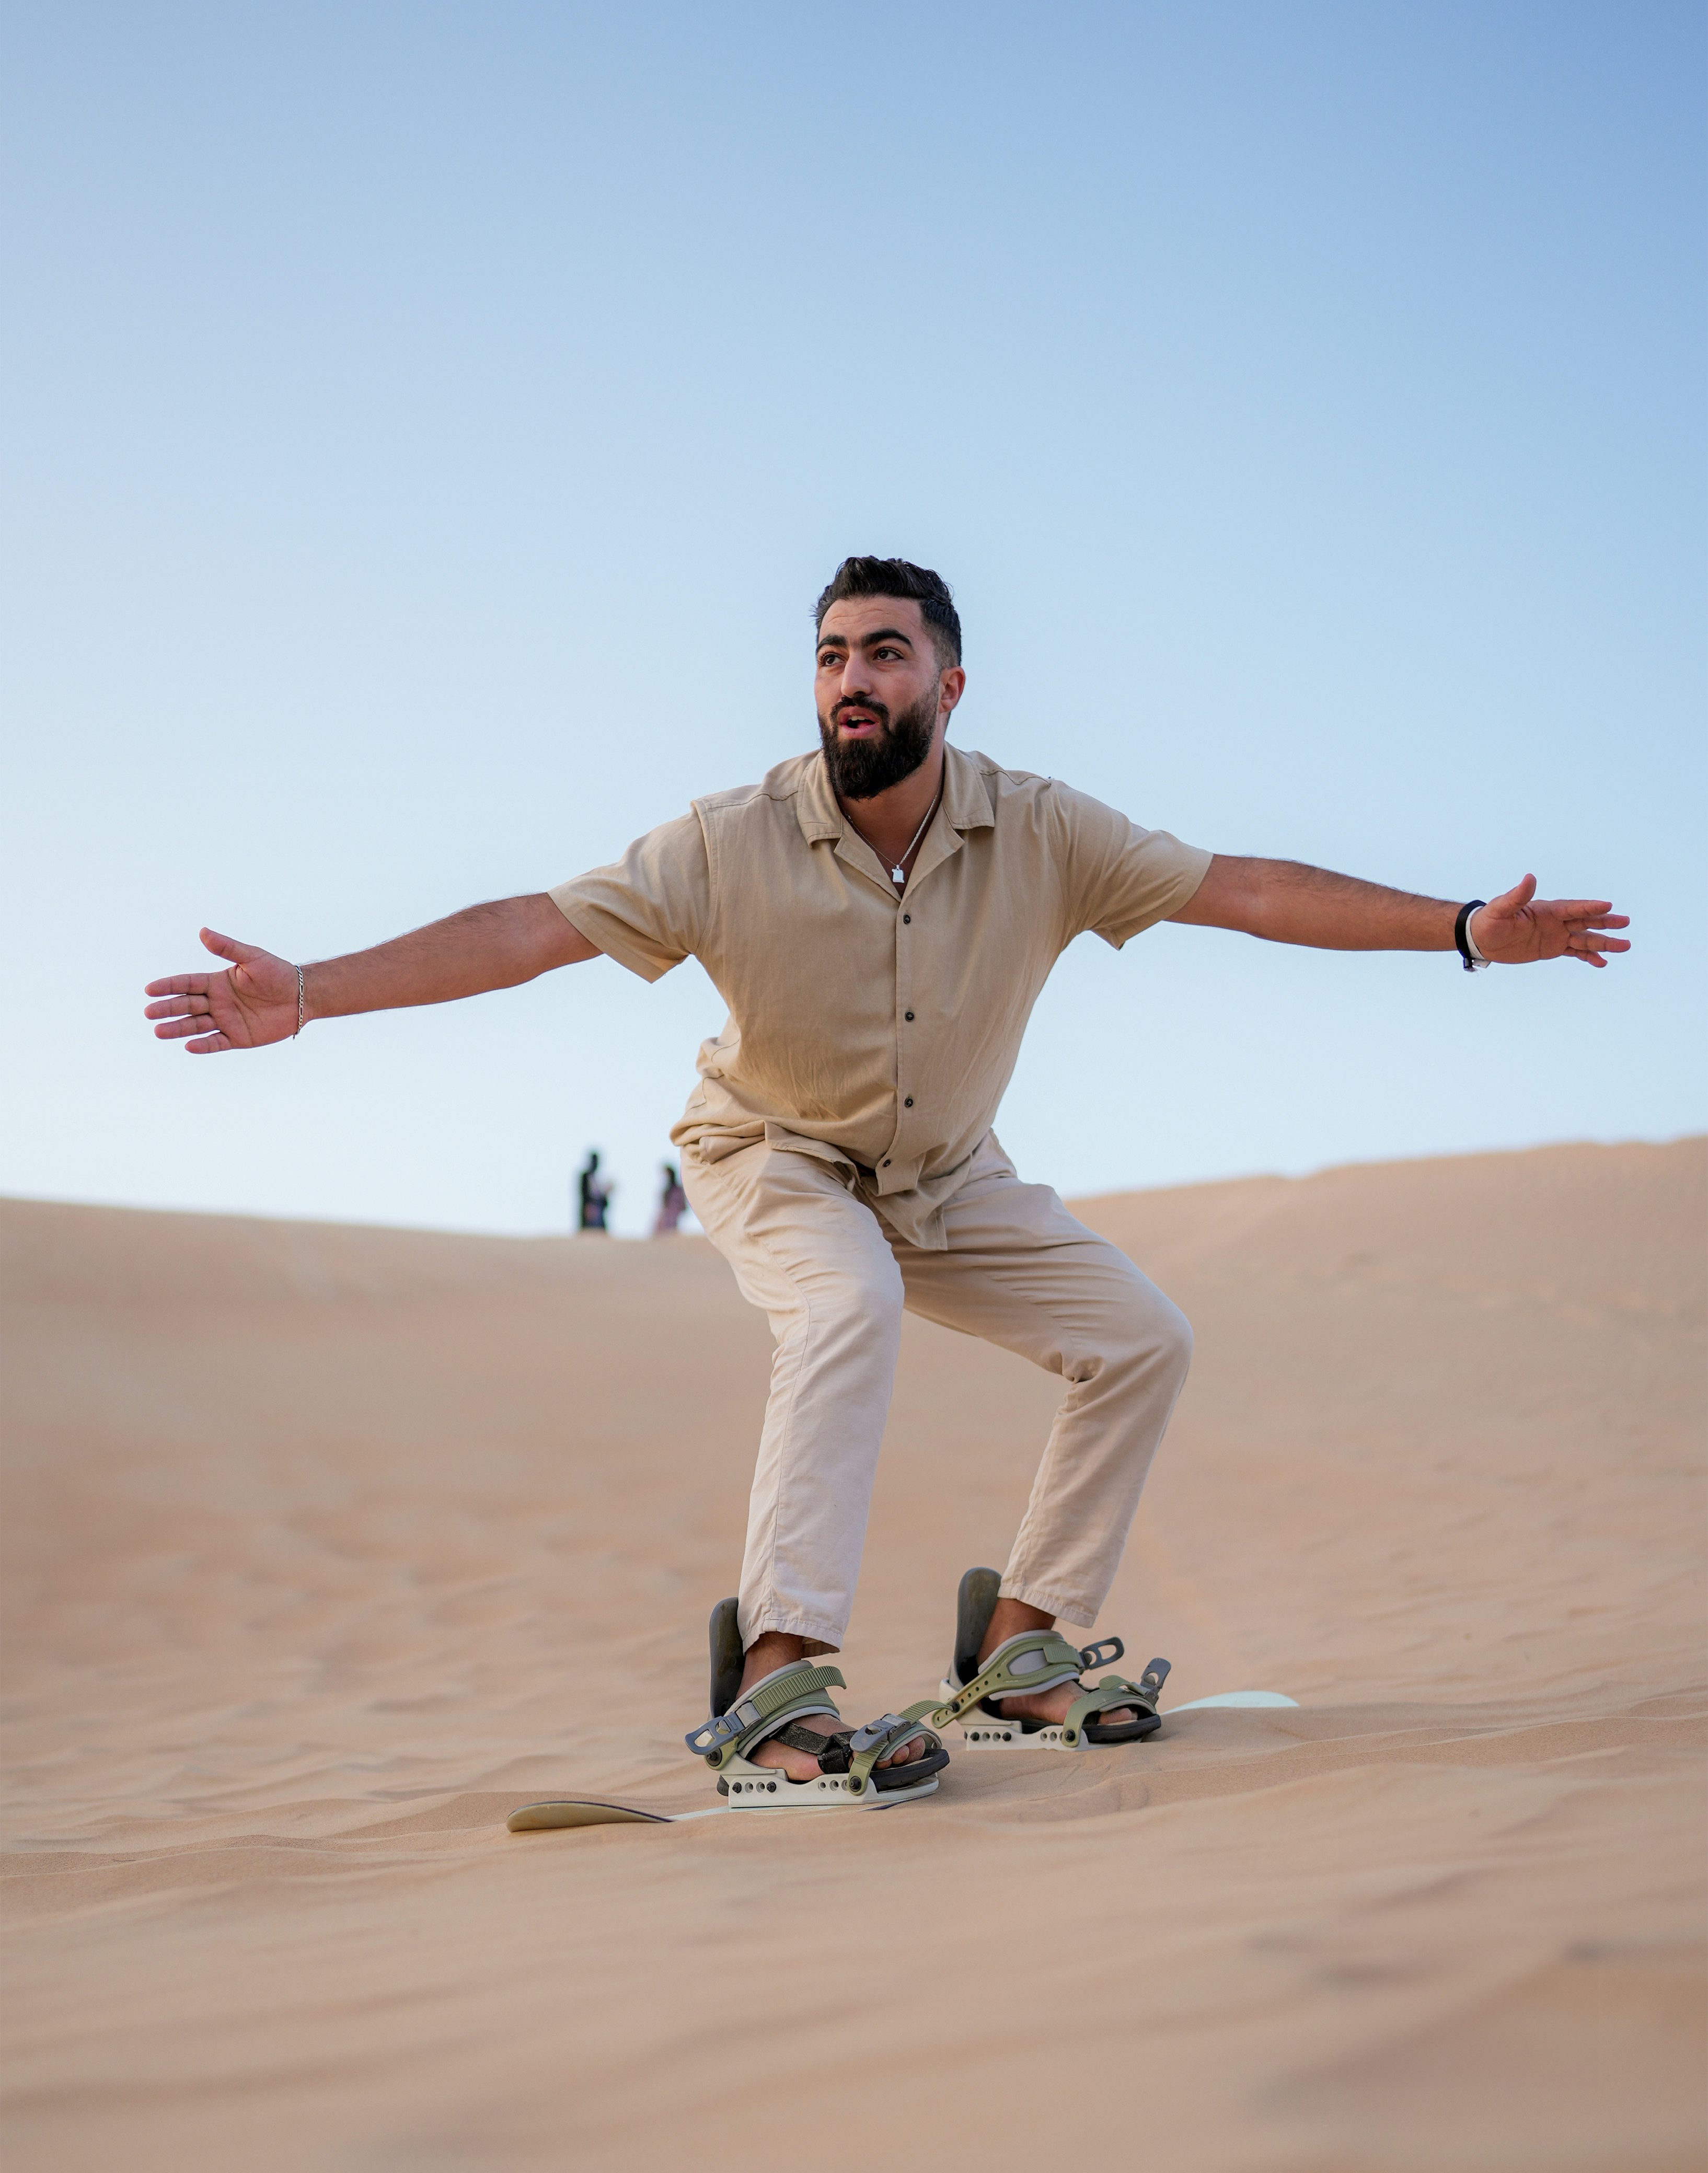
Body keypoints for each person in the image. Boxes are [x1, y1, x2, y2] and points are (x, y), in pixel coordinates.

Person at [144, 554, 1630, 1804]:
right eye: (829, 656)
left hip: (945, 1175)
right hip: (773, 1153)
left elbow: (1241, 890)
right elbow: (530, 928)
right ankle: (775, 1690)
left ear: (948, 685)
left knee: (1138, 1337)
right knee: (843, 1303)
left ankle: (1022, 1650)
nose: (850, 680)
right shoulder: (724, 841)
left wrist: (1457, 928)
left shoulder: (1043, 828)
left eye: (883, 653)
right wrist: (314, 992)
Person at [576, 1149, 612, 1233]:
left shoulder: (599, 1178)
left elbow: (602, 1197)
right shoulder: (586, 1177)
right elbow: (584, 1194)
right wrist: (589, 1206)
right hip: (589, 1212)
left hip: (599, 1212)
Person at [653, 1161, 688, 1236]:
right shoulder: (666, 1190)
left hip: (673, 1218)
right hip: (665, 1218)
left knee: (670, 1234)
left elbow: (682, 1205)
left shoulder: (678, 1190)